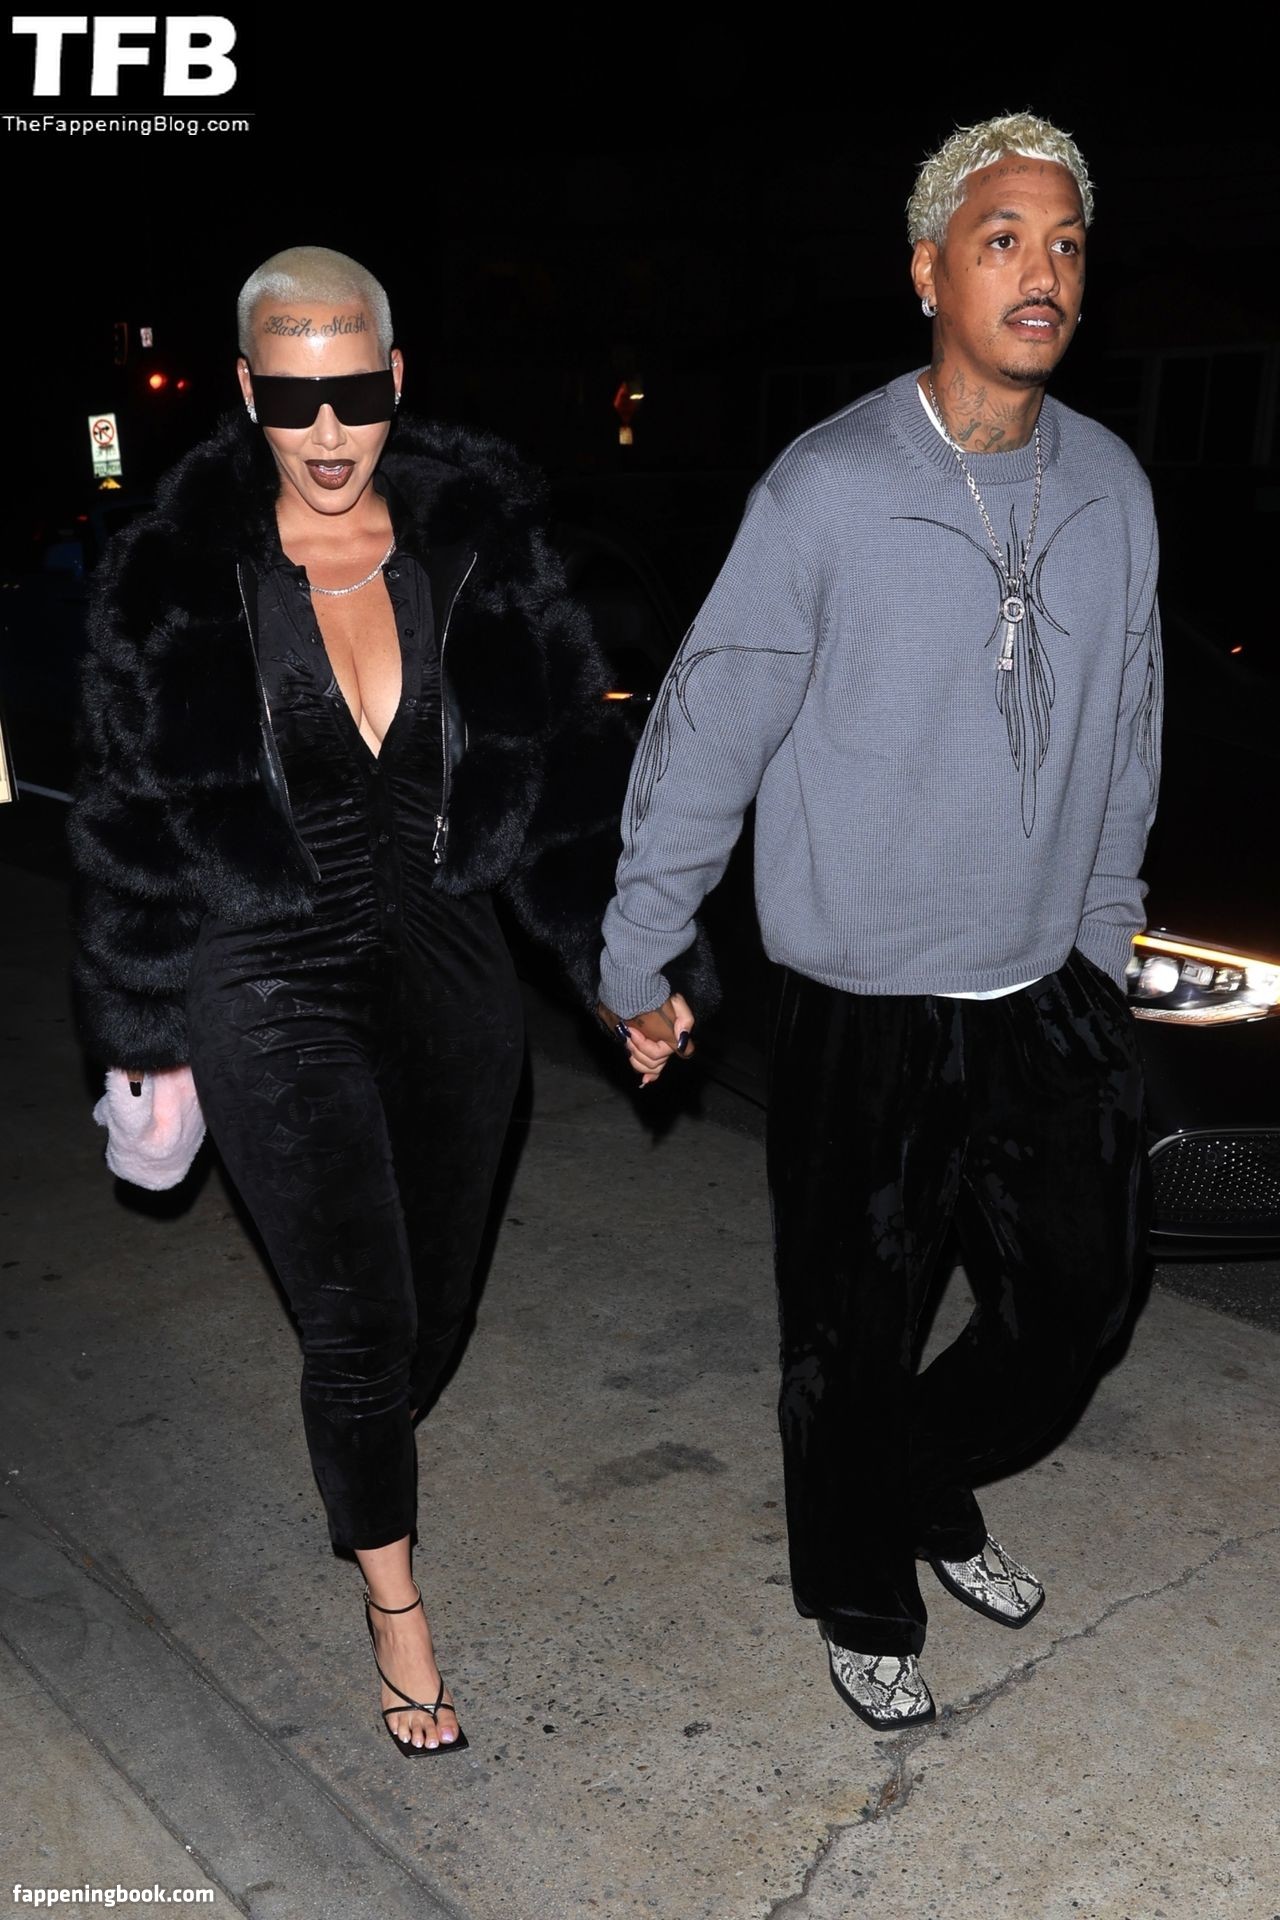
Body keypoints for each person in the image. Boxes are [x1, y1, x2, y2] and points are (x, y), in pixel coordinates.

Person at [597, 113, 1161, 1729]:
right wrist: (641, 949)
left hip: (1043, 985)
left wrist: (1104, 934)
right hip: (861, 1002)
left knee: (1078, 1308)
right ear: (928, 270)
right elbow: (709, 725)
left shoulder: (1113, 486)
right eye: (1004, 240)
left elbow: (1131, 728)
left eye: (1066, 244)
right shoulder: (829, 488)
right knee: (851, 1332)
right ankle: (862, 1585)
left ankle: (906, 1471)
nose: (1043, 273)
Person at [69, 246, 630, 1757]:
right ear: (246, 391)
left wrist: (623, 969)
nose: (327, 434)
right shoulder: (175, 579)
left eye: (354, 394)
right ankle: (396, 1602)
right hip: (264, 970)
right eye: (291, 398)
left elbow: (565, 784)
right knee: (360, 1322)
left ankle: (369, 1420)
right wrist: (142, 1034)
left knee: (434, 1307)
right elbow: (127, 829)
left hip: (454, 963)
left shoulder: (477, 546)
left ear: (397, 378)